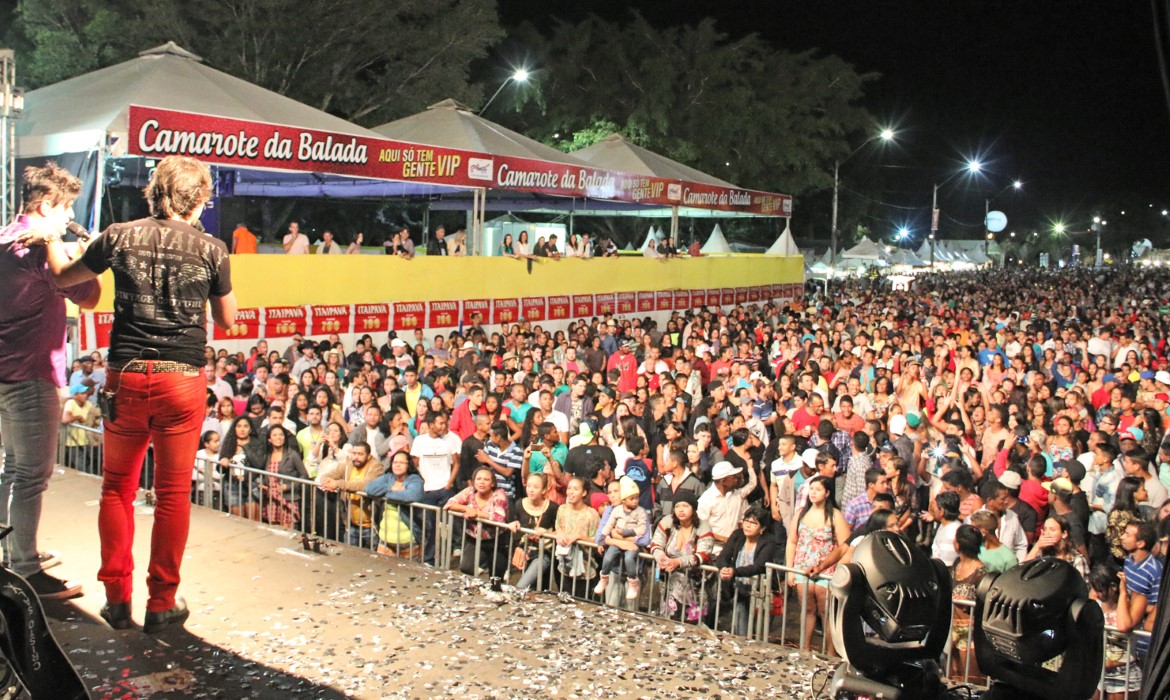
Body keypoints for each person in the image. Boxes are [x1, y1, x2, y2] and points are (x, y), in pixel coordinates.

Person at [37, 155, 237, 631]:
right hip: (182, 380)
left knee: (117, 490)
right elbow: (228, 320)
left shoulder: (119, 234)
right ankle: (162, 603)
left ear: (155, 191)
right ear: (200, 200)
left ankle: (116, 599)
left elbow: (65, 278)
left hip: (125, 376)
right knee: (171, 495)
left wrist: (50, 240)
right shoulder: (212, 249)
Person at [0, 162, 101, 598]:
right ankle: (24, 569)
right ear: (45, 206)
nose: (67, 218)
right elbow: (90, 294)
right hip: (31, 375)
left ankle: (12, 553)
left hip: (4, 373)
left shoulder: (5, 236)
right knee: (30, 476)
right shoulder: (41, 248)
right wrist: (84, 251)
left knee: (9, 470)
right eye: (65, 211)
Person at [785, 475, 848, 656]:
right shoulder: (801, 514)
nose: (813, 492)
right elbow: (792, 542)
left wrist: (838, 572)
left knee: (826, 613)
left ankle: (830, 653)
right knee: (807, 610)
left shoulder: (835, 515)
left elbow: (845, 545)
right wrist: (790, 570)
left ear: (827, 493)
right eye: (811, 489)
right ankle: (805, 648)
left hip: (826, 570)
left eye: (818, 489)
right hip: (802, 567)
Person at [649, 494, 714, 622]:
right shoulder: (667, 522)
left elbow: (702, 555)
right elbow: (655, 543)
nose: (681, 510)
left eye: (685, 506)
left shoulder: (703, 527)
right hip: (669, 578)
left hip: (693, 581)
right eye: (677, 506)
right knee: (668, 617)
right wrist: (660, 556)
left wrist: (678, 562)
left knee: (692, 620)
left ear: (693, 509)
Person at [716, 505, 778, 636]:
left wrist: (734, 571)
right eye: (746, 521)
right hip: (738, 587)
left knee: (756, 628)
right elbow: (723, 556)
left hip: (759, 591)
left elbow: (759, 566)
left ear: (762, 528)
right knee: (739, 623)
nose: (748, 526)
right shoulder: (737, 535)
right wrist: (724, 569)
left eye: (753, 523)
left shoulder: (769, 541)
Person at [444, 466, 511, 577]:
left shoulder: (499, 494)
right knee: (466, 568)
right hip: (474, 539)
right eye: (478, 479)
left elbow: (499, 518)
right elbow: (449, 504)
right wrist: (466, 509)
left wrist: (477, 514)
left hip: (496, 539)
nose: (482, 482)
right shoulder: (470, 491)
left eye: (486, 479)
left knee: (496, 574)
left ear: (493, 483)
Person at [595, 476, 649, 600]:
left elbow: (645, 539)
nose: (612, 495)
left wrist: (620, 536)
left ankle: (633, 584)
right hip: (614, 568)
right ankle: (603, 579)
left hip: (634, 568)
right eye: (609, 492)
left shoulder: (641, 512)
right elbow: (600, 537)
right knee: (611, 605)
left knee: (630, 610)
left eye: (616, 491)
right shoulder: (610, 511)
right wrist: (617, 541)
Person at [365, 450, 425, 558]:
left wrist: (383, 493)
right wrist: (391, 488)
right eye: (395, 462)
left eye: (401, 462)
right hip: (385, 539)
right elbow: (369, 488)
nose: (397, 465)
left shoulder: (414, 480)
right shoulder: (388, 477)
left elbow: (411, 496)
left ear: (408, 465)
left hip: (407, 541)